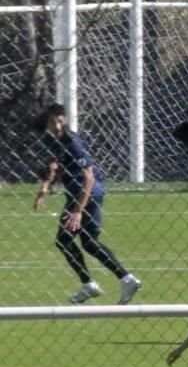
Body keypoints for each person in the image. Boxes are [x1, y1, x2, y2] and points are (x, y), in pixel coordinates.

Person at [32, 103, 142, 305]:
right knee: (89, 243)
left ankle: (89, 284)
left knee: (64, 240)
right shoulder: (57, 141)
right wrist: (44, 189)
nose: (55, 126)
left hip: (87, 194)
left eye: (58, 121)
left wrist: (78, 212)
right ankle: (126, 279)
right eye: (51, 122)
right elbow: (55, 165)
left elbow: (89, 177)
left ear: (63, 119)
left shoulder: (72, 142)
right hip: (80, 194)